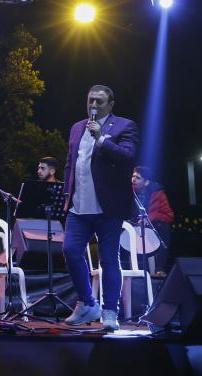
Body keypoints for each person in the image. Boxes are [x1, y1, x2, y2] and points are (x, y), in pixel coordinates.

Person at [61, 85, 138, 332]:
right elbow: (70, 163)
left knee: (109, 260)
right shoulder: (76, 128)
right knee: (71, 251)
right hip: (79, 207)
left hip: (108, 208)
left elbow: (127, 156)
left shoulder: (125, 126)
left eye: (99, 101)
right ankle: (87, 303)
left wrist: (101, 139)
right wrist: (67, 193)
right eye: (90, 100)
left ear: (110, 104)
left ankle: (110, 311)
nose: (93, 105)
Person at [131, 166, 174, 276]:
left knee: (164, 226)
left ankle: (159, 269)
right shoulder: (128, 192)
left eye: (138, 178)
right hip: (132, 227)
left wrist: (150, 217)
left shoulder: (157, 193)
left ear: (146, 182)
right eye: (133, 176)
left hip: (151, 227)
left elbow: (169, 216)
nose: (133, 180)